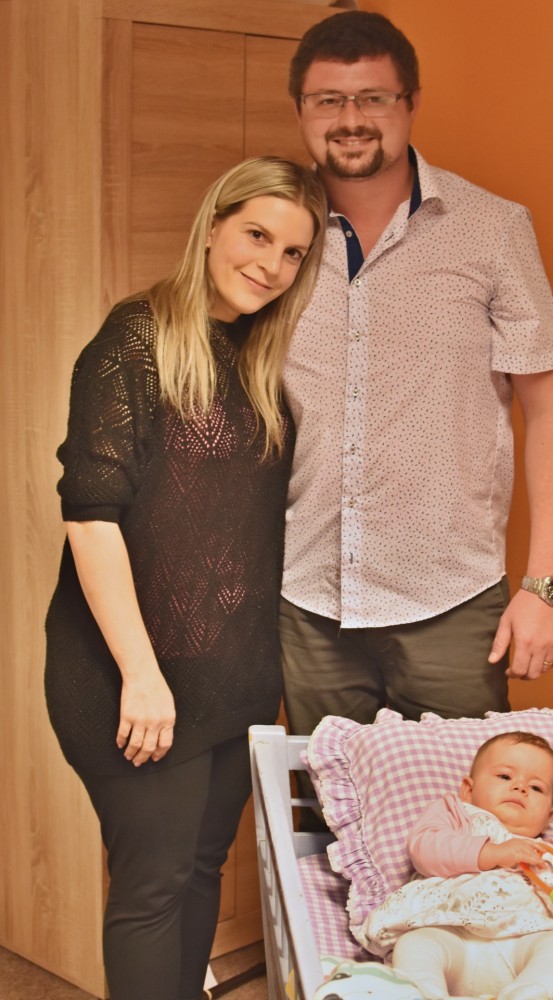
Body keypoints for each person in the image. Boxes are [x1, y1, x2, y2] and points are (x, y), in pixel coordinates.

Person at [44, 156, 327, 1000]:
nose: (270, 266)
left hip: (233, 677)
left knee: (202, 866)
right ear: (212, 226)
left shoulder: (257, 358)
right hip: (132, 677)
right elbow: (91, 516)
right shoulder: (135, 339)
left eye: (292, 253)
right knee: (154, 887)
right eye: (256, 235)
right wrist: (141, 675)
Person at [279, 11, 553, 738]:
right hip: (305, 596)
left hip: (450, 598)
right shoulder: (274, 234)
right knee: (324, 800)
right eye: (328, 100)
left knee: (465, 800)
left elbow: (549, 411)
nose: (351, 119)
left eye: (374, 97)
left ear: (412, 102)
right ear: (301, 111)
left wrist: (546, 587)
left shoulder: (493, 229)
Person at [359, 732, 553, 1000]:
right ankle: (426, 992)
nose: (521, 788)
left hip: (523, 948)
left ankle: (529, 992)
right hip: (452, 936)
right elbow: (424, 849)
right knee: (415, 944)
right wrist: (493, 853)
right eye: (505, 776)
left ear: (548, 817)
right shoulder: (458, 815)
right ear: (468, 790)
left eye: (536, 788)